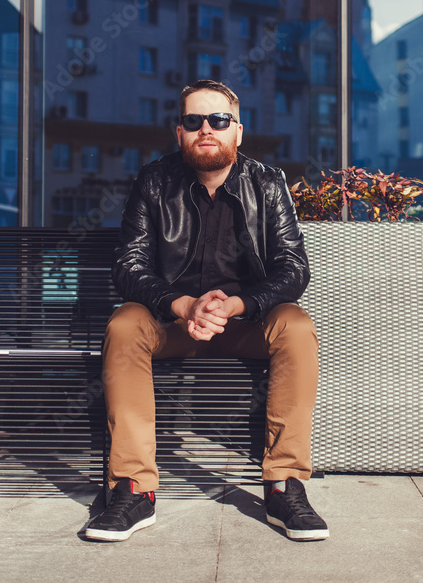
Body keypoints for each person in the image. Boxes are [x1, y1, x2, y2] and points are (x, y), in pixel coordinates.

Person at [85, 80, 327, 542]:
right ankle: (134, 490)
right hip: (170, 324)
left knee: (296, 326)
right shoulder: (154, 181)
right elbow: (128, 266)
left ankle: (283, 485)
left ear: (238, 131)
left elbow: (294, 269)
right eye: (194, 121)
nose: (206, 130)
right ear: (179, 133)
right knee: (123, 324)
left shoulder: (267, 183)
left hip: (246, 324)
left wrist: (237, 303)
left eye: (218, 120)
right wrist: (182, 304)